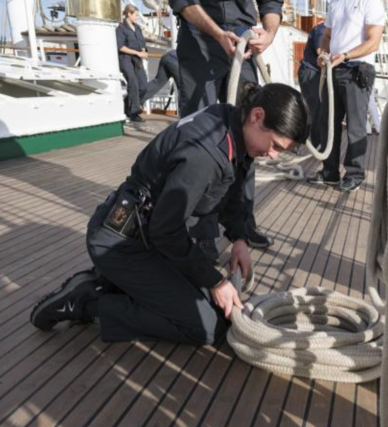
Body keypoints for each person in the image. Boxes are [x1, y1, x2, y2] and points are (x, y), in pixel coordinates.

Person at [29, 83, 310, 345]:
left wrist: (239, 238)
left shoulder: (231, 123)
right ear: (257, 116)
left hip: (149, 238)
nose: (273, 156)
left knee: (215, 307)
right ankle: (86, 303)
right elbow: (166, 232)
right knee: (208, 326)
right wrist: (216, 281)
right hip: (122, 243)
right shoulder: (206, 155)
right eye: (275, 146)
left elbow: (232, 192)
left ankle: (110, 283)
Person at [169, 0, 284, 258]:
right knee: (199, 141)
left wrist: (270, 32)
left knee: (251, 137)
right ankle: (201, 231)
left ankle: (241, 225)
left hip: (244, 39)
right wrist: (218, 33)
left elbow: (272, 3)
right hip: (199, 36)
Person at [307, 0, 385, 193]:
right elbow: (327, 35)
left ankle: (354, 175)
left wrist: (346, 55)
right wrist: (323, 53)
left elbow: (373, 42)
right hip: (334, 69)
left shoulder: (371, 3)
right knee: (328, 123)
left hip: (357, 69)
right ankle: (330, 172)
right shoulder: (335, 3)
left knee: (355, 126)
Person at [116, 5, 148, 123]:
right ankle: (134, 113)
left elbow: (142, 43)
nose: (137, 18)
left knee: (144, 86)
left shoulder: (138, 28)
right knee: (133, 82)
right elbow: (121, 47)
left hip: (137, 59)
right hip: (125, 59)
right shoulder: (121, 28)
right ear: (129, 14)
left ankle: (126, 106)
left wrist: (143, 51)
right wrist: (137, 53)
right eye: (136, 15)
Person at [297, 22, 326, 148]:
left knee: (316, 109)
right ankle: (316, 144)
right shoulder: (322, 29)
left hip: (315, 73)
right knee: (315, 110)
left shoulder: (324, 29)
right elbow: (321, 52)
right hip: (310, 73)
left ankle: (311, 141)